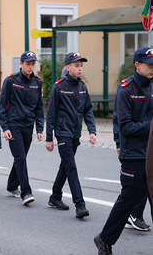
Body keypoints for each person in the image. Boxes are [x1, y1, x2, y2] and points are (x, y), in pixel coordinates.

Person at [94, 47, 153, 255]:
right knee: (127, 200)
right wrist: (151, 125)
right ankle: (104, 239)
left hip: (151, 153)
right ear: (137, 65)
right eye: (149, 65)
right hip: (134, 155)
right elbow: (125, 127)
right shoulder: (125, 90)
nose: (152, 68)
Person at [46, 52, 96, 218]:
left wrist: (92, 131)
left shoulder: (82, 87)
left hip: (75, 133)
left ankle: (55, 196)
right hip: (62, 133)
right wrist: (48, 138)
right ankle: (80, 205)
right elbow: (51, 114)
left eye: (81, 65)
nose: (80, 68)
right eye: (76, 65)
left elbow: (88, 110)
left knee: (66, 165)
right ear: (68, 67)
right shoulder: (58, 87)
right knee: (71, 167)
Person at [0, 51, 44, 205]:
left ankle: (12, 185)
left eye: (33, 63)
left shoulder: (37, 82)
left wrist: (39, 128)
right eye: (28, 63)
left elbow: (39, 107)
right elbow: (2, 105)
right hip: (14, 124)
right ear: (21, 63)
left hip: (28, 126)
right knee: (20, 157)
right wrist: (5, 127)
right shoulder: (11, 80)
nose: (30, 66)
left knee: (21, 156)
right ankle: (26, 192)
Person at [113, 94, 152, 231]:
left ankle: (135, 215)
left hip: (146, 146)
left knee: (145, 185)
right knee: (132, 190)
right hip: (132, 148)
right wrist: (118, 142)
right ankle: (106, 237)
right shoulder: (126, 90)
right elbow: (119, 120)